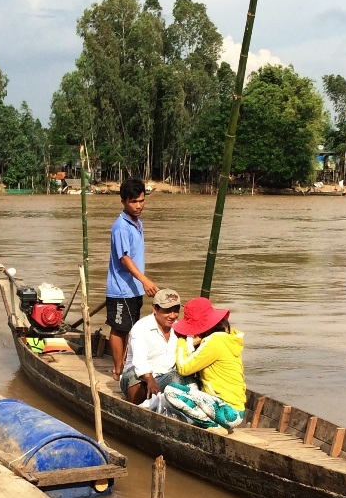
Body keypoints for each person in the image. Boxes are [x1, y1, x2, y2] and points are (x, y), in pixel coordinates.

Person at [106, 178, 158, 380]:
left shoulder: (137, 223)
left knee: (132, 329)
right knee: (120, 329)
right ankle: (118, 370)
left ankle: (126, 365)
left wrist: (141, 283)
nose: (138, 206)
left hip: (134, 288)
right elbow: (124, 258)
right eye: (133, 201)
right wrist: (145, 280)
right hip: (121, 288)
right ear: (123, 201)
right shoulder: (121, 227)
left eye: (141, 201)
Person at [170, 296, 247, 426]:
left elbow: (183, 367)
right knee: (181, 380)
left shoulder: (214, 341)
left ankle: (212, 425)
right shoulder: (226, 338)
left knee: (171, 391)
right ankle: (207, 420)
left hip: (229, 412)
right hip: (232, 409)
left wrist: (182, 340)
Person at [119, 288, 181, 403]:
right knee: (134, 375)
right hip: (140, 378)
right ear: (155, 309)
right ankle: (135, 409)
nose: (172, 316)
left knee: (179, 379)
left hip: (164, 376)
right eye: (167, 311)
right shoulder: (141, 328)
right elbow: (139, 362)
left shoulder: (178, 328)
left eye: (176, 311)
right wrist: (150, 380)